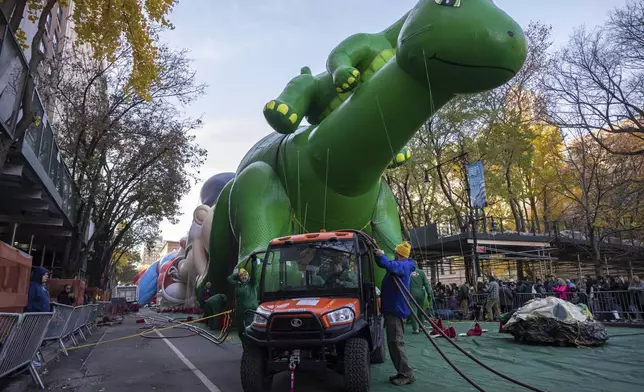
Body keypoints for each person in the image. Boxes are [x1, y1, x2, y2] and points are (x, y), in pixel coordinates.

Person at [374, 241, 416, 386]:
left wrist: (383, 256)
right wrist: (379, 255)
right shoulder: (401, 265)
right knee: (393, 342)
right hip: (393, 309)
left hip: (396, 309)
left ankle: (406, 374)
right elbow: (386, 265)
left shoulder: (404, 265)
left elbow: (392, 266)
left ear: (398, 254)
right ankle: (401, 371)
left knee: (396, 342)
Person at [227, 265, 258, 345]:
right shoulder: (238, 284)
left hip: (250, 311)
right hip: (240, 312)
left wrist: (254, 262)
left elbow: (255, 274)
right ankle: (245, 347)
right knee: (240, 331)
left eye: (245, 275)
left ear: (248, 276)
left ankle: (250, 348)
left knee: (248, 331)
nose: (243, 277)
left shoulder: (252, 284)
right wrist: (238, 273)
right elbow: (229, 279)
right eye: (241, 276)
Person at [409, 261, 432, 334]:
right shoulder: (421, 272)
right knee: (421, 310)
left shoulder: (407, 272)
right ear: (417, 265)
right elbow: (427, 284)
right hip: (421, 293)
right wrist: (429, 294)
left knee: (413, 311)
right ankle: (421, 327)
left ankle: (415, 329)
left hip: (411, 293)